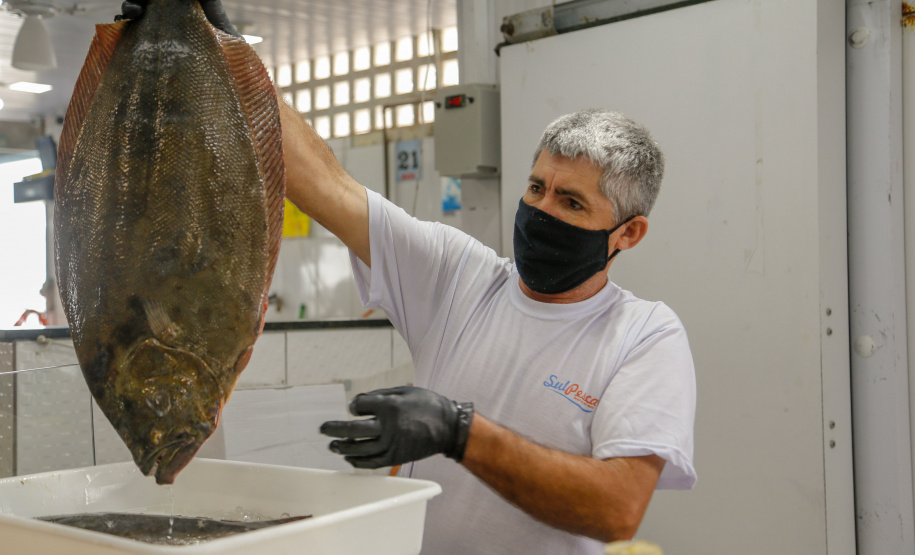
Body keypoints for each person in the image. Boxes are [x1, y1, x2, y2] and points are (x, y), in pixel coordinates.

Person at [119, 2, 697, 552]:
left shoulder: (644, 336)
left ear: (627, 233)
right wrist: (218, 46)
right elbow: (323, 182)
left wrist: (459, 431)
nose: (542, 211)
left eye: (571, 203)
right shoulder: (459, 277)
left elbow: (616, 508)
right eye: (536, 188)